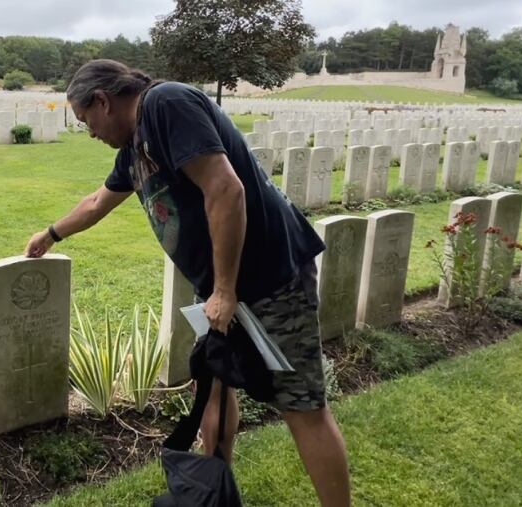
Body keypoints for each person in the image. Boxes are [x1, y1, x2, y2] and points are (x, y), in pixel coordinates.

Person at [24, 59, 350, 507]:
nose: (91, 132)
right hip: (220, 285)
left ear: (103, 100)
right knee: (213, 388)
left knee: (302, 406)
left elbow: (225, 188)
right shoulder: (133, 152)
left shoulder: (165, 103)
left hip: (269, 275)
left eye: (86, 121)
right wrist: (52, 233)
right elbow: (99, 201)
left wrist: (225, 290)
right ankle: (214, 495)